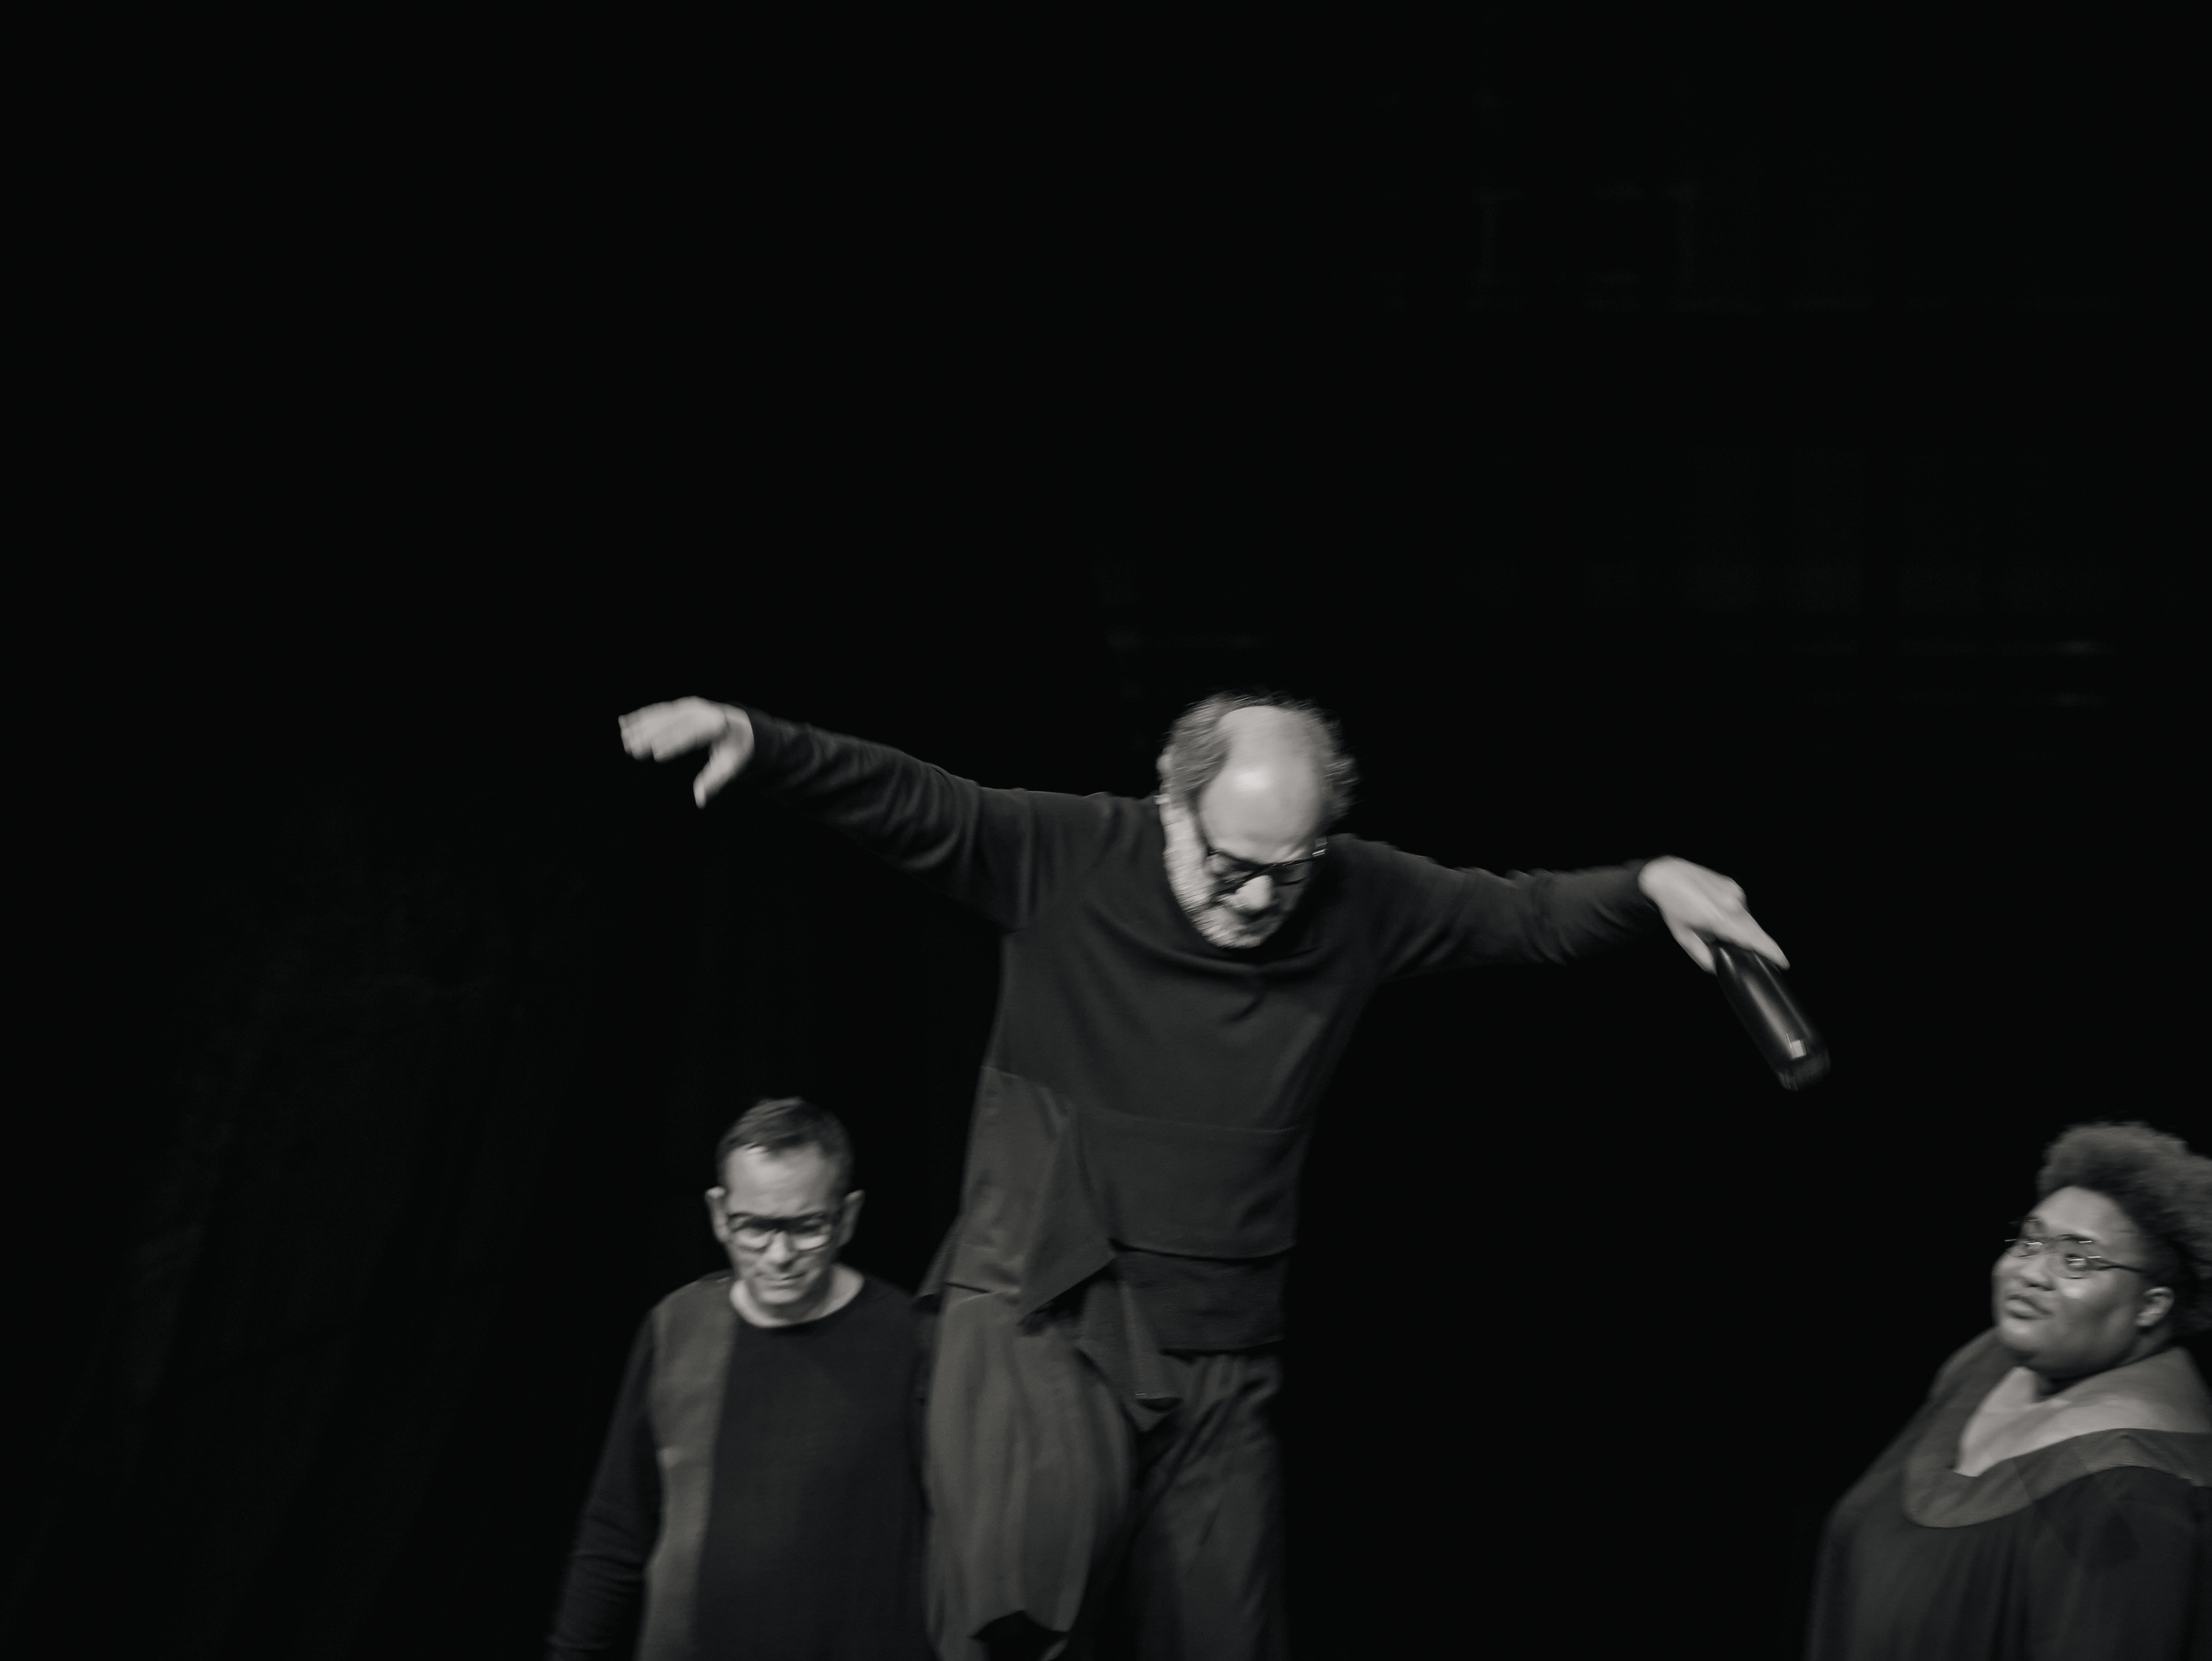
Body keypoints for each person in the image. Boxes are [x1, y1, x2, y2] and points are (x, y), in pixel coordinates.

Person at [618, 691, 1788, 1661]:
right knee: (1018, 1615)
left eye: (1288, 870)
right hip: (1042, 1311)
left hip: (1223, 1353)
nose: (1256, 901)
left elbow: (1519, 914)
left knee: (1224, 1633)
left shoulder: (1358, 895)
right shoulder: (1069, 852)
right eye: (1230, 867)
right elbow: (916, 801)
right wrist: (765, 741)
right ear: (1172, 807)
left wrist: (1648, 882)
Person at [1807, 1120, 2212, 1661]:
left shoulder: (2135, 1493)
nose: (2031, 1272)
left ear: (2151, 1306)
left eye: (2076, 1259)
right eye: (2030, 1240)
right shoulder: (1986, 1363)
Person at [547, 1097, 931, 1661]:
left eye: (807, 1226)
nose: (780, 1254)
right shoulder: (676, 1327)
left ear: (847, 1216)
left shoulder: (910, 1338)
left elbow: (959, 1533)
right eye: (755, 1226)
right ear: (719, 1213)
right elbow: (617, 1525)